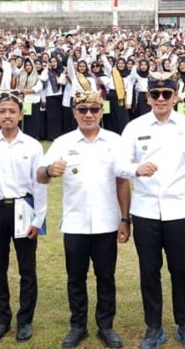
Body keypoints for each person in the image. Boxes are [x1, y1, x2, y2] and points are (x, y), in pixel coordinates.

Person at [117, 72, 185, 349]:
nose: (161, 99)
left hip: (179, 210)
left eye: (166, 94)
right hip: (145, 211)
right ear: (147, 97)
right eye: (155, 94)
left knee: (181, 270)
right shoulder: (134, 127)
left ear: (175, 96)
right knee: (149, 271)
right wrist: (136, 169)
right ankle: (153, 327)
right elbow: (119, 165)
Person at [37, 91, 130, 349]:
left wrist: (125, 219)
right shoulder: (63, 142)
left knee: (106, 277)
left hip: (107, 221)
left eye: (94, 109)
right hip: (75, 223)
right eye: (82, 110)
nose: (88, 114)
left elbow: (122, 181)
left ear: (102, 112)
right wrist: (48, 170)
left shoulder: (115, 141)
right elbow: (40, 176)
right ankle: (78, 326)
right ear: (74, 112)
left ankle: (105, 326)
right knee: (75, 278)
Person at [0, 92, 47, 343]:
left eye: (12, 111)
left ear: (20, 114)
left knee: (27, 268)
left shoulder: (33, 145)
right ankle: (3, 318)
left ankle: (25, 321)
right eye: (2, 111)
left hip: (25, 207)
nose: (7, 116)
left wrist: (39, 219)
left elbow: (40, 185)